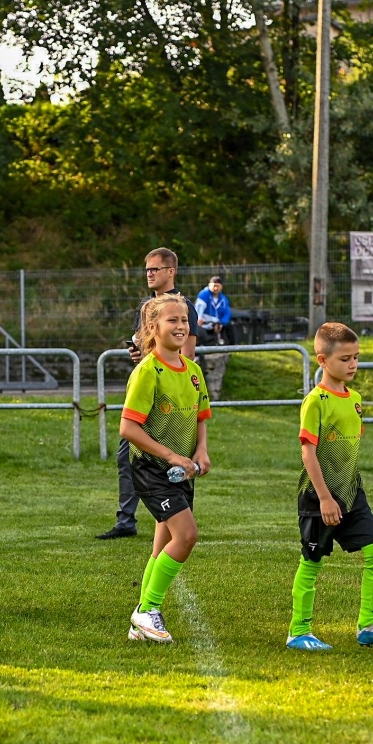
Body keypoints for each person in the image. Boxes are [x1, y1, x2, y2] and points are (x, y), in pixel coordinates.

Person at [287, 323, 373, 651]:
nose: (353, 365)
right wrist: (325, 498)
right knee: (312, 561)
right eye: (345, 359)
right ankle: (298, 631)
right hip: (318, 497)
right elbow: (308, 452)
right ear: (323, 361)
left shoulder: (356, 400)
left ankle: (369, 625)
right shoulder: (315, 401)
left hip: (352, 494)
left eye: (356, 358)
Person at [119, 293, 211, 643]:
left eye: (184, 319)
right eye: (172, 320)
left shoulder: (193, 372)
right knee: (186, 535)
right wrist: (172, 456)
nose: (180, 325)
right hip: (152, 469)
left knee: (162, 547)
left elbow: (200, 417)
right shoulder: (147, 371)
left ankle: (140, 622)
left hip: (181, 471)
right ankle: (148, 611)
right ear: (153, 327)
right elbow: (128, 428)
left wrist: (201, 451)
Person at [97, 247, 197, 540]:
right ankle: (127, 520)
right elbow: (146, 348)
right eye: (147, 270)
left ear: (171, 272)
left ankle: (170, 517)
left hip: (171, 401)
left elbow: (186, 356)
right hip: (146, 392)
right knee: (127, 456)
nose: (149, 274)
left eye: (155, 269)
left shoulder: (183, 306)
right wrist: (139, 356)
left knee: (166, 460)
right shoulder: (145, 306)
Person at [194, 274, 232, 399]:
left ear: (221, 287)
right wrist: (199, 319)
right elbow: (199, 309)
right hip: (203, 325)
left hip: (215, 326)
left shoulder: (223, 299)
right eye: (213, 285)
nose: (215, 288)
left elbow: (226, 313)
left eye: (218, 285)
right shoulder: (204, 295)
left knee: (229, 328)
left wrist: (221, 323)